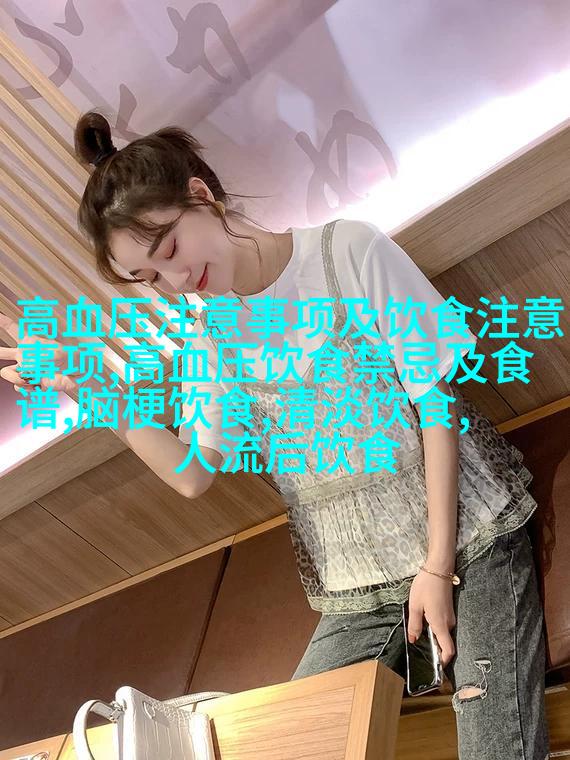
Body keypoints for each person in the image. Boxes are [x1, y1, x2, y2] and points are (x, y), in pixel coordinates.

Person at [0, 112, 549, 759]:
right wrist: (90, 390)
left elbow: (437, 405)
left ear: (201, 197)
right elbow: (191, 474)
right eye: (149, 279)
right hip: (358, 584)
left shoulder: (346, 251)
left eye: (170, 251)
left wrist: (436, 565)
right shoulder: (210, 335)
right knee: (294, 748)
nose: (175, 283)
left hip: (469, 535)